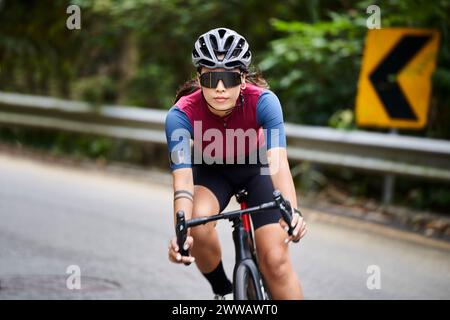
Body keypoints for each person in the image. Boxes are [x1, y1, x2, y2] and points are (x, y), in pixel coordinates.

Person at [165, 27, 307, 300]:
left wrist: (293, 212)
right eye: (211, 79)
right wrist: (181, 235)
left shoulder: (265, 102)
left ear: (242, 79)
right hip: (211, 170)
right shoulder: (180, 114)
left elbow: (277, 163)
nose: (220, 88)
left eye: (229, 78)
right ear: (199, 78)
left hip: (257, 169)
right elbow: (182, 182)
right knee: (197, 226)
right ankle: (223, 289)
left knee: (276, 262)